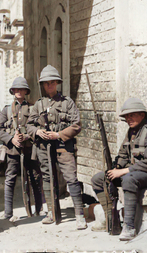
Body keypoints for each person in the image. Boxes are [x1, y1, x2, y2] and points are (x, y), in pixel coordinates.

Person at [91, 98, 147, 241]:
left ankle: (129, 227)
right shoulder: (131, 132)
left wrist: (124, 171)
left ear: (142, 115)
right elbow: (123, 155)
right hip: (132, 173)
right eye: (126, 116)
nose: (128, 118)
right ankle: (110, 218)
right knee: (98, 179)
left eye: (132, 115)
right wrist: (115, 168)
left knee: (128, 179)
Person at [26, 65, 87, 229]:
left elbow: (76, 126)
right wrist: (38, 131)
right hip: (44, 148)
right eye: (46, 83)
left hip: (63, 146)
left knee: (71, 177)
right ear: (43, 85)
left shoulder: (68, 103)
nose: (49, 86)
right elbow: (28, 126)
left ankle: (79, 214)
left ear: (57, 83)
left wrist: (58, 135)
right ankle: (51, 212)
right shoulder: (38, 105)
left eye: (52, 82)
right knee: (47, 178)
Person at [0, 77, 43, 221]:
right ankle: (8, 212)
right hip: (13, 150)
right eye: (16, 89)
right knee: (10, 179)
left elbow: (39, 127)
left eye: (21, 89)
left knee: (35, 178)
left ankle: (38, 210)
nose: (19, 92)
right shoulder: (7, 110)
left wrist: (28, 136)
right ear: (13, 91)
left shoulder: (33, 108)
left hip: (29, 149)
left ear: (26, 91)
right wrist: (11, 139)